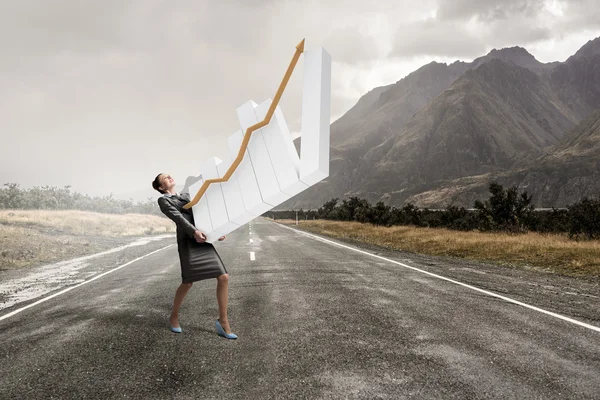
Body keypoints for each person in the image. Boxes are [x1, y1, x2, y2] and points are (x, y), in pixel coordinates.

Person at [152, 173, 237, 339]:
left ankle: (223, 321)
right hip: (188, 240)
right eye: (165, 178)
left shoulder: (187, 196)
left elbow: (203, 214)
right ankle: (174, 316)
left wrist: (216, 232)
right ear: (161, 187)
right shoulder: (164, 200)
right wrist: (194, 232)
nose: (169, 177)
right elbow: (179, 219)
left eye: (169, 175)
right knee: (188, 282)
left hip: (203, 239)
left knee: (223, 277)